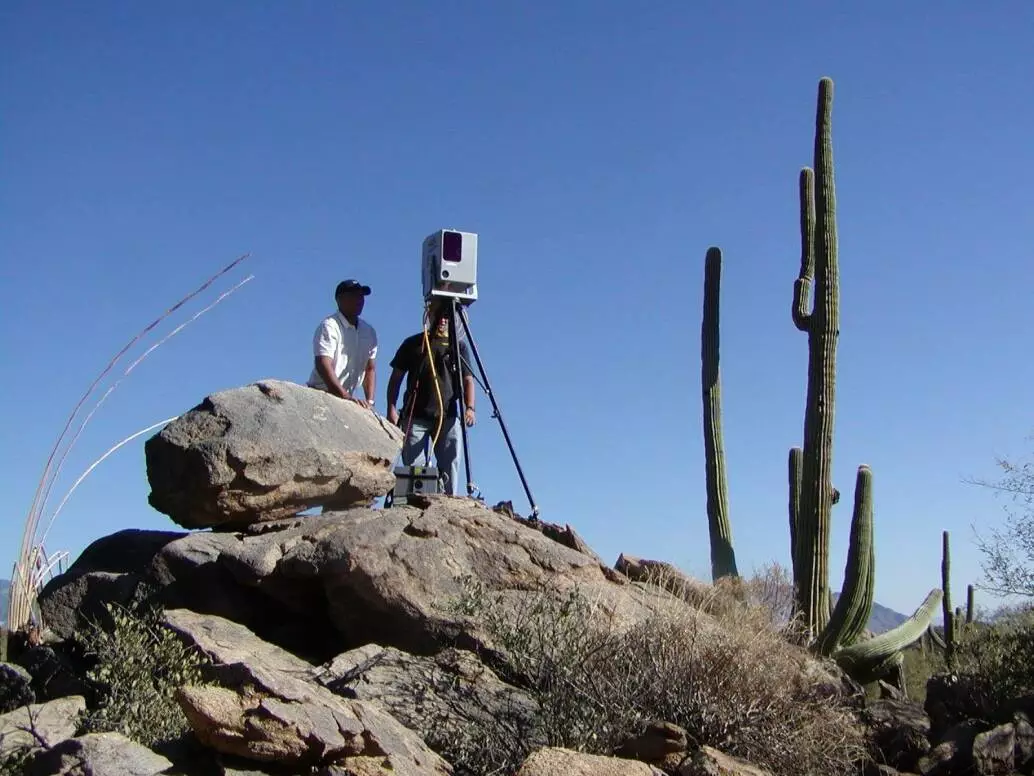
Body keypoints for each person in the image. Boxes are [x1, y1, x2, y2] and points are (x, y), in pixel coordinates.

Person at [386, 301, 476, 495]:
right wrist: (391, 408)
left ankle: (448, 500)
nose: (442, 319)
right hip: (415, 414)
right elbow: (396, 379)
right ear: (429, 315)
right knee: (413, 465)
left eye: (446, 315)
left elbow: (468, 380)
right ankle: (414, 502)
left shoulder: (458, 347)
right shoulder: (413, 343)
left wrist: (470, 408)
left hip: (448, 416)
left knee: (450, 464)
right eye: (438, 314)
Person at [307, 279, 378, 407]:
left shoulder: (368, 331)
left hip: (346, 397)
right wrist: (344, 396)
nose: (360, 300)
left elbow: (370, 367)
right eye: (354, 296)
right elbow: (323, 364)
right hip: (322, 393)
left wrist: (370, 401)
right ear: (340, 299)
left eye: (361, 296)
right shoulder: (329, 326)